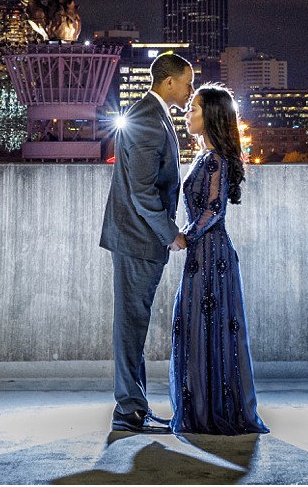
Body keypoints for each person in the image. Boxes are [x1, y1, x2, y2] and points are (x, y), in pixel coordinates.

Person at [99, 51, 194, 434]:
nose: (191, 90)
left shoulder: (153, 115)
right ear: (168, 82)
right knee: (130, 326)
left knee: (134, 324)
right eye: (187, 83)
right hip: (137, 239)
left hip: (137, 238)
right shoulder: (146, 118)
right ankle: (128, 411)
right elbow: (141, 191)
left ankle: (133, 407)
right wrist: (170, 233)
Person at [169, 84, 269, 436]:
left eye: (193, 108)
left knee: (203, 328)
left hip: (211, 255)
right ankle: (204, 408)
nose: (187, 113)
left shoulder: (215, 160)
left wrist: (184, 237)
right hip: (205, 254)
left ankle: (209, 411)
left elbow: (214, 210)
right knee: (200, 328)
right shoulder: (207, 157)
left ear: (210, 115)